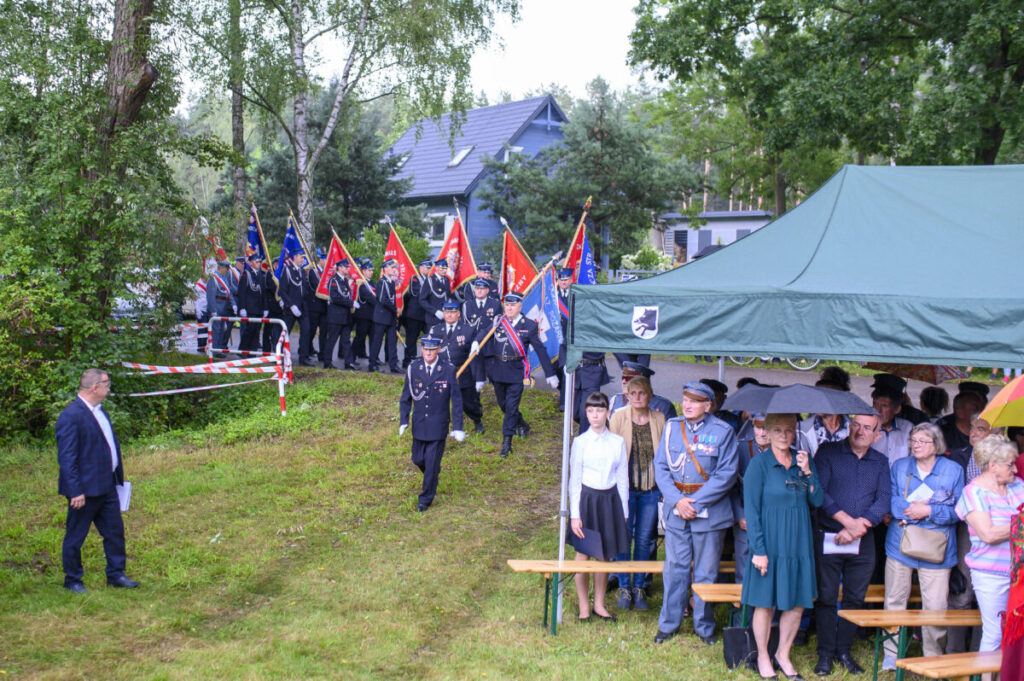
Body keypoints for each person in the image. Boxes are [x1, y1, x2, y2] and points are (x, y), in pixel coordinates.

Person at [653, 381, 739, 646]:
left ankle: (704, 626)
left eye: (694, 400)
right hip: (678, 510)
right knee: (675, 569)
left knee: (706, 572)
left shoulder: (723, 432)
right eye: (685, 399)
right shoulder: (671, 428)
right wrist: (678, 501)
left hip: (709, 512)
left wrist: (695, 502)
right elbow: (661, 467)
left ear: (708, 405)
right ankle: (669, 623)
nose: (687, 405)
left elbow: (726, 474)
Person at [741, 413, 822, 680]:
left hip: (798, 542)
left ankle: (783, 654)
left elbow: (818, 501)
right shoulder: (759, 466)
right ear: (768, 431)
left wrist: (809, 472)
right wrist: (759, 551)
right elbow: (751, 513)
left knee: (797, 602)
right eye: (778, 430)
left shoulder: (801, 462)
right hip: (770, 544)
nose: (784, 435)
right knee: (764, 603)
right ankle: (763, 655)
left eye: (789, 430)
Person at [813, 413, 891, 676]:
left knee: (855, 597)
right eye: (856, 425)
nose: (860, 431)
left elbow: (883, 501)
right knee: (826, 597)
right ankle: (824, 653)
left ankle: (844, 650)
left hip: (862, 541)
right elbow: (819, 492)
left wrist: (859, 528)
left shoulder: (880, 462)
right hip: (829, 535)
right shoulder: (828, 452)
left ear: (877, 435)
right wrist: (847, 523)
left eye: (868, 428)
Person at [882, 423, 964, 669]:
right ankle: (891, 654)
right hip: (900, 544)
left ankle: (932, 656)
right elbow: (893, 502)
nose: (915, 445)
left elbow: (958, 510)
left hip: (937, 548)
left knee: (936, 606)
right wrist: (912, 510)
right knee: (894, 599)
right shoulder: (900, 466)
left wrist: (927, 511)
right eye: (913, 441)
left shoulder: (953, 470)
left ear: (936, 445)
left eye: (922, 441)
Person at [55, 369, 139, 593]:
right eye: (106, 384)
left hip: (107, 485)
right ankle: (72, 580)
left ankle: (116, 574)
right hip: (84, 491)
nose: (108, 388)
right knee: (75, 536)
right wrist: (75, 491)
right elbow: (67, 458)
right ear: (95, 388)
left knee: (114, 532)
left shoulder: (101, 412)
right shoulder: (71, 416)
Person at [955, 435, 1024, 651]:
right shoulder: (973, 493)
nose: (1015, 470)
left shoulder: (1018, 486)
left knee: (1018, 633)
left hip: (1019, 572)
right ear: (993, 466)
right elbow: (988, 534)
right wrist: (1019, 525)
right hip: (991, 574)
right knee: (995, 633)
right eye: (1010, 465)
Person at [473, 291, 558, 459]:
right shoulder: (499, 321)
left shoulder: (529, 326)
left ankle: (507, 443)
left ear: (520, 306)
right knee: (504, 406)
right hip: (498, 370)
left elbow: (540, 350)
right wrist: (476, 341)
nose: (509, 308)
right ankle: (522, 424)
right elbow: (484, 332)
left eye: (512, 305)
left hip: (516, 372)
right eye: (507, 305)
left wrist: (550, 373)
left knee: (511, 408)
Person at [569, 391, 629, 622]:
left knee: (604, 555)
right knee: (583, 553)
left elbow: (621, 477)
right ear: (586, 413)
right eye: (591, 411)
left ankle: (600, 604)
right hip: (587, 500)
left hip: (610, 500)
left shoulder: (617, 442)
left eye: (600, 411)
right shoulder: (581, 442)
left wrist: (623, 511)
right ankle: (584, 605)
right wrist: (575, 515)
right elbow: (575, 481)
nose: (595, 416)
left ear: (607, 412)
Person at [609, 376, 666, 611]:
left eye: (643, 393)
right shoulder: (619, 417)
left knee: (645, 539)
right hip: (625, 490)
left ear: (650, 395)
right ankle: (624, 586)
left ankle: (639, 586)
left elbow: (664, 454)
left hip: (650, 490)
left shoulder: (659, 418)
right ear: (627, 396)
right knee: (624, 537)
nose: (638, 398)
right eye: (634, 394)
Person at [945, 414, 995, 653]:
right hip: (965, 530)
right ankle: (954, 652)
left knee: (987, 596)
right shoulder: (956, 456)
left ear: (995, 435)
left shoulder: (1004, 462)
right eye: (973, 428)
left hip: (995, 532)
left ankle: (979, 651)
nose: (973, 432)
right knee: (961, 590)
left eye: (981, 429)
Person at [398, 335, 465, 512]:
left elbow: (456, 400)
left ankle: (425, 499)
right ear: (422, 350)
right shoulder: (414, 368)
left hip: (438, 425)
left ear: (438, 350)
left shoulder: (448, 369)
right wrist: (403, 420)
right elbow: (406, 397)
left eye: (431, 349)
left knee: (431, 463)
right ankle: (433, 473)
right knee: (417, 459)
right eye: (425, 349)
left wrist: (458, 427)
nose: (428, 353)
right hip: (419, 424)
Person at [429, 301, 484, 434]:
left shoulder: (467, 329)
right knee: (440, 401)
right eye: (447, 312)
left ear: (458, 314)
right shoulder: (436, 330)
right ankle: (442, 426)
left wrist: (476, 342)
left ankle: (477, 420)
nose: (449, 315)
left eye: (452, 312)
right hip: (442, 373)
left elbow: (481, 333)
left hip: (462, 372)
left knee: (468, 403)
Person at [733, 413, 771, 588]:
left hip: (772, 519)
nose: (762, 433)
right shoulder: (740, 447)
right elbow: (730, 485)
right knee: (744, 572)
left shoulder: (786, 451)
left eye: (767, 428)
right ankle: (743, 614)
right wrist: (740, 515)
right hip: (746, 517)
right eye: (758, 427)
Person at [608, 362, 678, 419]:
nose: (624, 382)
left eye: (628, 379)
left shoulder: (663, 406)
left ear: (644, 383)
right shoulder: (613, 401)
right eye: (623, 377)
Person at [369, 258, 401, 373]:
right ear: (385, 268)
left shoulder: (391, 282)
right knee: (377, 341)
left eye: (394, 268)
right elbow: (383, 300)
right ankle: (372, 364)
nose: (394, 270)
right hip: (382, 317)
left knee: (392, 342)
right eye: (392, 268)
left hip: (390, 317)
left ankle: (393, 365)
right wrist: (395, 308)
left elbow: (391, 300)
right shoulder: (381, 282)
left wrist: (395, 315)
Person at [322, 258, 355, 370]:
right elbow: (335, 298)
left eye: (348, 267)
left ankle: (348, 362)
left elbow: (346, 295)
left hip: (345, 316)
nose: (348, 269)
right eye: (346, 267)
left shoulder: (344, 280)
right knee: (332, 339)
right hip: (336, 316)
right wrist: (351, 303)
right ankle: (327, 362)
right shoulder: (334, 280)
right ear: (340, 268)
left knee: (346, 340)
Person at [872, 385, 913, 466]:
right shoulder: (866, 428)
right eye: (875, 405)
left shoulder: (908, 428)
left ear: (897, 409)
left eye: (884, 406)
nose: (878, 410)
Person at [401, 259, 432, 368]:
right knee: (411, 338)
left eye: (429, 268)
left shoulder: (429, 280)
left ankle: (426, 358)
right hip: (414, 314)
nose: (428, 270)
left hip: (424, 316)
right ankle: (408, 359)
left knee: (429, 337)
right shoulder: (415, 279)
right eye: (426, 267)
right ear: (421, 268)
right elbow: (415, 293)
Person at [278, 253, 307, 359]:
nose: (303, 259)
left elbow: (304, 289)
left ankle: (303, 356)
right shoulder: (287, 270)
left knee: (306, 330)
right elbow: (283, 290)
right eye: (301, 257)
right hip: (291, 308)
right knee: (286, 332)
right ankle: (280, 355)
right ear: (294, 257)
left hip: (303, 307)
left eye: (303, 257)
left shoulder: (302, 271)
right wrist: (291, 305)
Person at [205, 260, 237, 358]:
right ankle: (215, 350)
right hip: (217, 307)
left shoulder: (224, 278)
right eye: (225, 269)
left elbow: (229, 292)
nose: (227, 271)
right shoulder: (213, 278)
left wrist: (233, 304)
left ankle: (218, 349)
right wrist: (213, 309)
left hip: (224, 307)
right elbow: (210, 296)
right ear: (221, 268)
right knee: (216, 329)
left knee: (221, 329)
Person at [301, 250, 328, 364]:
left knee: (324, 332)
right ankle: (305, 351)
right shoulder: (313, 272)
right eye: (325, 260)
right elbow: (315, 286)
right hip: (314, 306)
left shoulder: (326, 273)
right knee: (311, 331)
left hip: (324, 307)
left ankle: (323, 354)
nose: (326, 262)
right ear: (320, 260)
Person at [350, 260, 376, 365]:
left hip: (371, 316)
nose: (371, 272)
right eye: (369, 270)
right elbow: (370, 298)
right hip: (363, 315)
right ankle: (351, 358)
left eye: (372, 270)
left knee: (373, 339)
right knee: (360, 338)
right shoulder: (361, 283)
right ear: (363, 271)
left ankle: (373, 359)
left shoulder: (371, 283)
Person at [237, 255, 264, 353]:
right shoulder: (246, 274)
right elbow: (242, 292)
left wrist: (265, 308)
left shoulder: (260, 274)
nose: (259, 264)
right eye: (257, 262)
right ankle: (243, 350)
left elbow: (263, 292)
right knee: (249, 330)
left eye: (259, 262)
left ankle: (253, 351)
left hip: (258, 308)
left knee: (256, 330)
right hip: (250, 307)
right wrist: (242, 307)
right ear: (251, 263)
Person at [418, 259, 451, 323]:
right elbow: (422, 300)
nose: (445, 270)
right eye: (442, 268)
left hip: (445, 317)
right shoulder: (430, 280)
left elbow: (448, 297)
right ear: (436, 268)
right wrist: (435, 311)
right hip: (433, 318)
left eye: (446, 268)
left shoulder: (446, 280)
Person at [262, 258, 284, 353]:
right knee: (268, 330)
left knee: (277, 330)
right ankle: (266, 349)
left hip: (280, 307)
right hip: (271, 306)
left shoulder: (282, 274)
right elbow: (270, 288)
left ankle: (277, 350)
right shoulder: (269, 274)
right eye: (278, 264)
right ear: (274, 264)